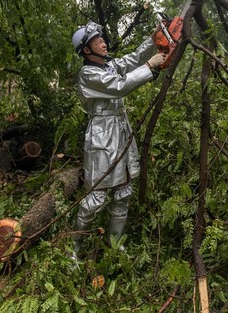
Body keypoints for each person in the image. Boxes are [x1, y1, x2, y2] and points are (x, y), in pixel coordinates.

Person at [70, 21, 166, 259]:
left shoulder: (109, 66)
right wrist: (149, 66)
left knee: (124, 192)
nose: (103, 42)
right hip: (101, 138)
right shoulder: (89, 73)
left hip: (121, 133)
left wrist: (153, 39)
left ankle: (115, 246)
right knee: (95, 198)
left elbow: (132, 59)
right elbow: (119, 86)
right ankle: (75, 252)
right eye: (96, 41)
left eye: (102, 39)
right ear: (86, 50)